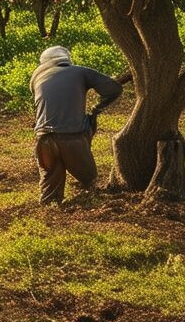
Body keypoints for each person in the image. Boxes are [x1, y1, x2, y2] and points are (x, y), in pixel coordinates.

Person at [29, 45, 123, 205]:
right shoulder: (80, 71)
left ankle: (49, 214)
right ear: (66, 60)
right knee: (90, 180)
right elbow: (114, 89)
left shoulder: (38, 78)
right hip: (72, 139)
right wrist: (96, 109)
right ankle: (86, 205)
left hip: (43, 140)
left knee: (50, 186)